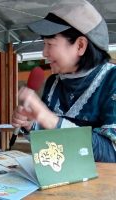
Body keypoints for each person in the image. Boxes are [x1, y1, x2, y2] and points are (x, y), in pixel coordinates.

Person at [12, 0, 116, 162]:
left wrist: (50, 120)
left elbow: (111, 152)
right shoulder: (54, 82)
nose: (44, 53)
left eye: (50, 44)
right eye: (44, 43)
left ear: (80, 45)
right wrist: (32, 124)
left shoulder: (112, 80)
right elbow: (50, 146)